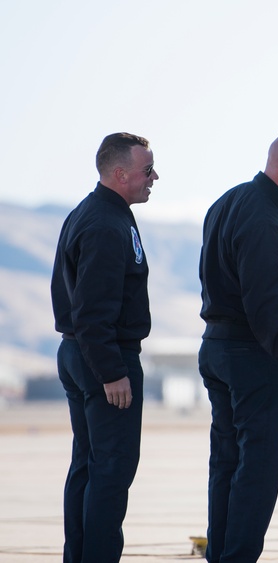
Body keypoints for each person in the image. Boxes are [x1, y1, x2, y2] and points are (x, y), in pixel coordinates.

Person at [197, 131, 278, 562]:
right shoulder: (263, 219)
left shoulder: (228, 202)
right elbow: (262, 306)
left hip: (217, 347)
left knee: (226, 464)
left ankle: (221, 555)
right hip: (250, 355)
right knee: (257, 469)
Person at [51, 132, 159, 562]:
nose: (155, 177)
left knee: (89, 465)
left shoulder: (98, 213)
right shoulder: (103, 223)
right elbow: (92, 311)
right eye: (147, 170)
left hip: (83, 355)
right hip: (103, 360)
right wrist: (112, 372)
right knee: (110, 473)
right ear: (120, 174)